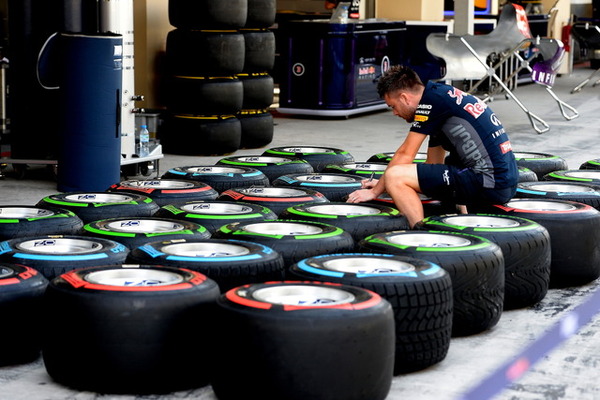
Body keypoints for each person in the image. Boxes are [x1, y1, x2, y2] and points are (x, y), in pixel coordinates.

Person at [346, 65, 518, 228]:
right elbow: (432, 164)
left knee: (394, 175)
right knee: (444, 167)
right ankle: (459, 218)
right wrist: (385, 186)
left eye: (393, 106)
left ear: (404, 98)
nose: (394, 113)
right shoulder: (441, 98)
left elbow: (405, 155)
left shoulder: (430, 103)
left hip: (488, 182)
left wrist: (375, 192)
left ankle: (422, 236)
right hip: (505, 182)